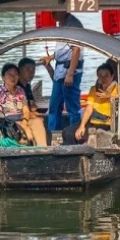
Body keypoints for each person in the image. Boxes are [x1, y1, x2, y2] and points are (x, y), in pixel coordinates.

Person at [43, 12, 84, 143]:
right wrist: (52, 57)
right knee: (54, 105)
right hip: (60, 72)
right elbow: (63, 48)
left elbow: (76, 50)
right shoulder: (61, 24)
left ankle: (73, 137)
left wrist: (70, 74)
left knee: (72, 107)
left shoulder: (73, 25)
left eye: (55, 11)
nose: (53, 14)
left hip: (70, 71)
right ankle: (51, 135)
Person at [0, 63, 48, 147]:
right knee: (25, 133)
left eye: (16, 74)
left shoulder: (20, 91)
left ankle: (43, 148)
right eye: (10, 74)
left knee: (37, 121)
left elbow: (25, 109)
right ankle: (27, 144)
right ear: (3, 77)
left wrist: (25, 121)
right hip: (8, 121)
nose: (13, 77)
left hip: (22, 118)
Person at [76, 61, 119, 143]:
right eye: (100, 76)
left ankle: (85, 153)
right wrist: (82, 126)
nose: (103, 79)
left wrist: (110, 96)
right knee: (68, 132)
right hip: (93, 121)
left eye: (106, 76)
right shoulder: (94, 89)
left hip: (106, 123)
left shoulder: (117, 88)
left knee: (86, 136)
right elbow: (89, 109)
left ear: (112, 76)